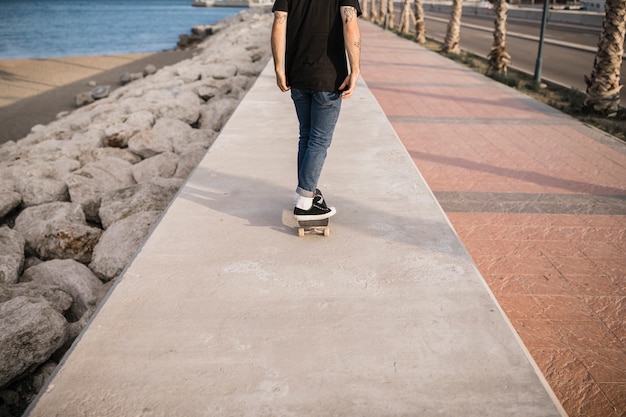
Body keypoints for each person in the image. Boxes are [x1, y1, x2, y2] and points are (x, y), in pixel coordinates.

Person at [271, 0, 361, 221]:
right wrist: (356, 69)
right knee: (319, 140)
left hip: (298, 74)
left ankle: (306, 191)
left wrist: (279, 68)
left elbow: (279, 23)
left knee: (307, 136)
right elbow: (350, 23)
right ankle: (304, 203)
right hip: (329, 77)